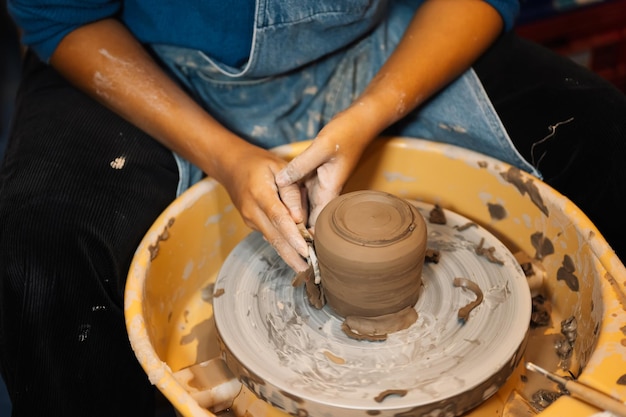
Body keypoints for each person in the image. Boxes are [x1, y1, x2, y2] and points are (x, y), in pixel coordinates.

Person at [1, 0, 624, 416]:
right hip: (158, 66)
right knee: (41, 262)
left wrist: (373, 113)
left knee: (608, 143)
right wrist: (222, 155)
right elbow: (60, 14)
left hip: (382, 45)